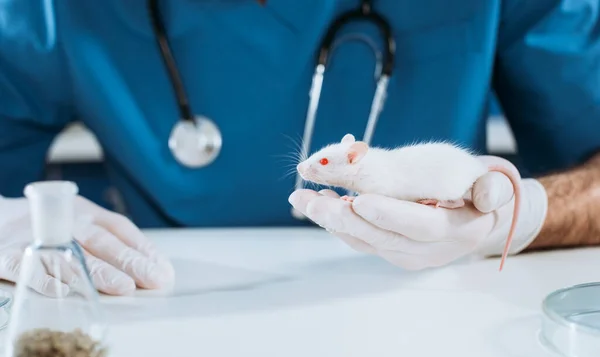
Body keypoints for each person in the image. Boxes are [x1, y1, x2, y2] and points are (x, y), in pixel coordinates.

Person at [1, 0, 599, 297]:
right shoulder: (53, 11)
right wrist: (8, 221)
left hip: (437, 311)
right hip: (172, 305)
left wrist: (522, 217)